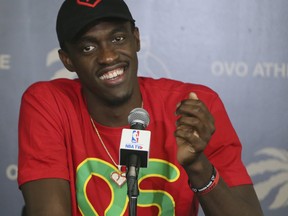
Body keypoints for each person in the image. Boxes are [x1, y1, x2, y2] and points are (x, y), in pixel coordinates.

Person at [18, 0, 263, 215]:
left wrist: (198, 166)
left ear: (136, 39)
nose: (108, 57)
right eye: (88, 47)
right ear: (67, 60)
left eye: (117, 39)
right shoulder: (49, 103)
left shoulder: (193, 106)